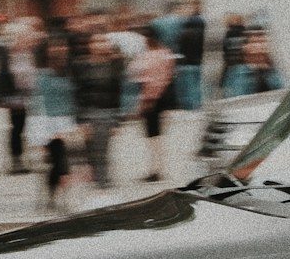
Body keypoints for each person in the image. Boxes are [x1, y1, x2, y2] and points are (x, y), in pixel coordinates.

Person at [29, 33, 78, 211]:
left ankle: (52, 196)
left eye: (62, 46)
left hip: (66, 122)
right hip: (47, 124)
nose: (59, 50)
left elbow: (73, 99)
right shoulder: (41, 75)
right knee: (59, 158)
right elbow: (37, 103)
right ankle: (60, 197)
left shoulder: (70, 71)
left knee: (59, 160)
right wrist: (38, 134)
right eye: (55, 47)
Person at [70, 32, 125, 190]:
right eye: (96, 41)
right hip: (88, 112)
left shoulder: (115, 65)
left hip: (107, 113)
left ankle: (102, 181)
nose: (100, 45)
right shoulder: (81, 65)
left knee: (102, 149)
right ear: (89, 45)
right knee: (89, 149)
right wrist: (80, 120)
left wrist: (117, 121)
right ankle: (96, 177)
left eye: (103, 41)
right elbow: (78, 93)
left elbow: (117, 94)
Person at [0, 17, 39, 174]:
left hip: (33, 94)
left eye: (29, 36)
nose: (28, 39)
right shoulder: (6, 53)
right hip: (15, 96)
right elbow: (3, 75)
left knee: (28, 126)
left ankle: (23, 156)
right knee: (18, 127)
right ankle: (16, 159)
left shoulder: (33, 52)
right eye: (25, 36)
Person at [131, 29, 178, 182]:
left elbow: (146, 81)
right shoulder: (167, 53)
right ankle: (159, 168)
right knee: (159, 137)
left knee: (152, 138)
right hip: (166, 97)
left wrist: (144, 102)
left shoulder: (146, 57)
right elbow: (170, 75)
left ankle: (155, 170)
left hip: (152, 100)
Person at [174, 0, 207, 110]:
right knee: (198, 86)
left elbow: (180, 49)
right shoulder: (203, 34)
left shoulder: (183, 33)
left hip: (187, 64)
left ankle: (190, 107)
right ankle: (198, 106)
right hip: (199, 63)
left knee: (189, 87)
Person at [219, 14, 247, 95]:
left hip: (231, 65)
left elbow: (225, 50)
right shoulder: (245, 32)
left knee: (229, 88)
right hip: (242, 64)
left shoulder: (228, 33)